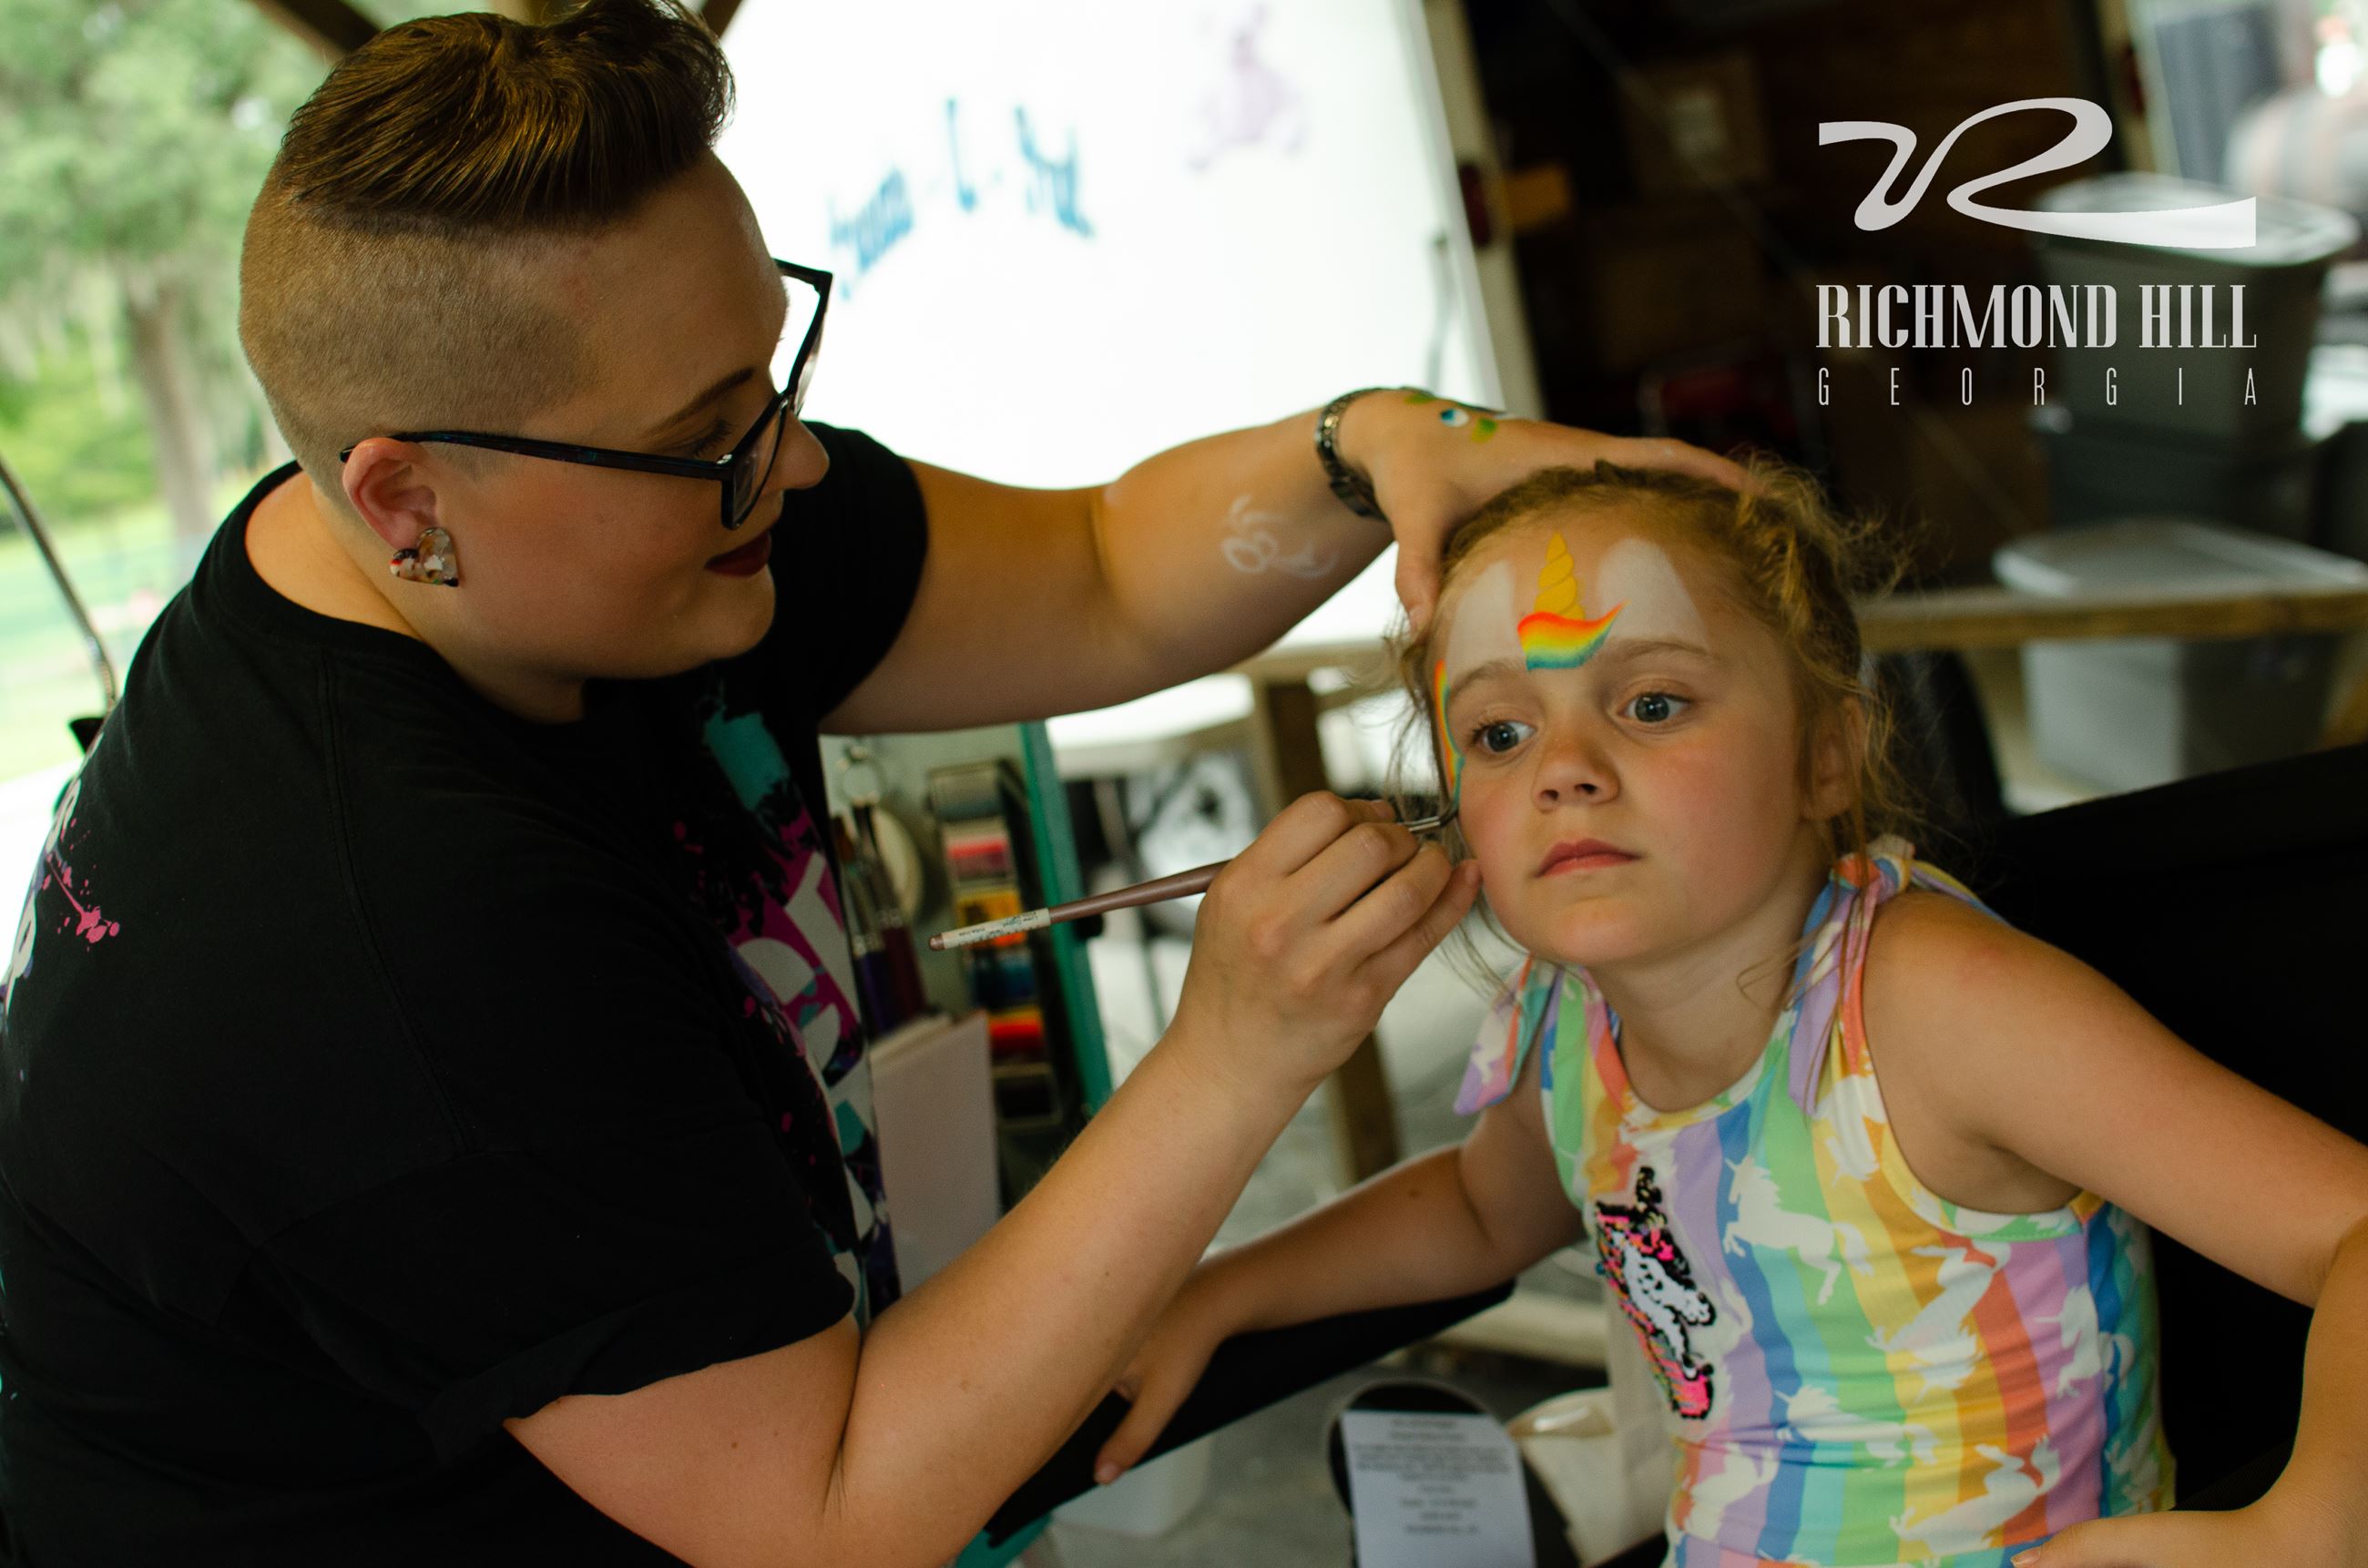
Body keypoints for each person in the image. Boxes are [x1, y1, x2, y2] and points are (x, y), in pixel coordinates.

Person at [0, 3, 1748, 1564]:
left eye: (777, 364)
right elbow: (820, 1517)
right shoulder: (380, 930)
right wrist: (1237, 1051)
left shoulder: (617, 528)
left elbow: (1102, 571)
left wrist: (1367, 444)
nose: (802, 458)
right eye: (715, 431)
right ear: (404, 501)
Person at [1094, 461, 2368, 1568]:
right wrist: (1220, 1290)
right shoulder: (1569, 1022)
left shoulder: (1935, 1007)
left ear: (1827, 755)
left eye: (1651, 704)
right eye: (1496, 731)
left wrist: (2311, 1526)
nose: (1565, 767)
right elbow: (1485, 1210)